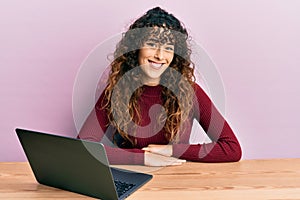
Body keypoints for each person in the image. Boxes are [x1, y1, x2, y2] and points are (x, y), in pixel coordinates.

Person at [77, 7, 242, 166]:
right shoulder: (116, 91)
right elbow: (83, 148)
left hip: (177, 182)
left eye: (168, 48)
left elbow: (231, 148)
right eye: (152, 45)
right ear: (136, 48)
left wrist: (170, 150)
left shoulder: (190, 91)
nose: (160, 56)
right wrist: (143, 158)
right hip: (133, 178)